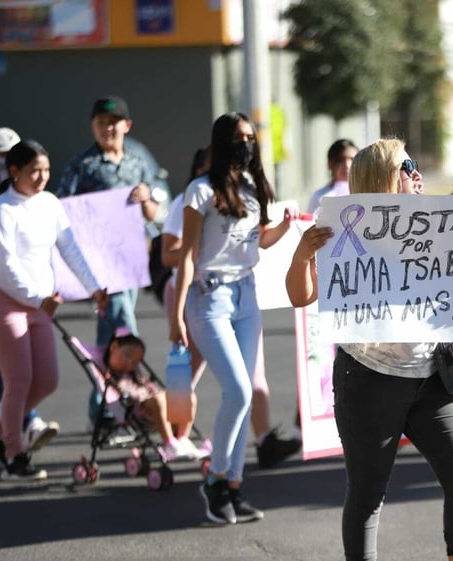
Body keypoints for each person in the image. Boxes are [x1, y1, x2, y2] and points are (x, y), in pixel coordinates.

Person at [286, 137, 453, 561]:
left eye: (416, 164)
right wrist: (303, 255)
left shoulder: (441, 224)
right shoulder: (347, 235)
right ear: (381, 178)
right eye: (406, 166)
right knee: (367, 494)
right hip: (368, 382)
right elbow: (300, 296)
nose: (417, 174)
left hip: (431, 378)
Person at [170, 112, 294, 524]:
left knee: (240, 399)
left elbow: (260, 240)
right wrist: (176, 317)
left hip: (246, 294)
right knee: (239, 391)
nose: (247, 144)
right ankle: (216, 480)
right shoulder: (200, 191)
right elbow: (186, 256)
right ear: (223, 142)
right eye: (240, 137)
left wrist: (287, 228)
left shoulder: (254, 189)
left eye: (251, 137)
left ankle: (234, 486)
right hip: (209, 298)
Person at [0, 140, 108, 480]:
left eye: (46, 170)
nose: (42, 177)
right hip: (4, 303)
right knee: (18, 381)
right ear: (15, 171)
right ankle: (14, 456)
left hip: (39, 303)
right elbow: (6, 269)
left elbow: (70, 249)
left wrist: (94, 287)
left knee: (47, 380)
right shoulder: (1, 210)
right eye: (34, 170)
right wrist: (39, 299)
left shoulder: (49, 204)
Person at [56, 96, 160, 424]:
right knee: (121, 328)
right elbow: (62, 210)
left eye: (113, 123)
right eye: (100, 123)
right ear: (93, 126)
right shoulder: (83, 165)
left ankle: (103, 409)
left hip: (130, 262)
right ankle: (119, 405)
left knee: (109, 336)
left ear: (126, 126)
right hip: (100, 266)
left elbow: (157, 210)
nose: (107, 129)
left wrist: (146, 201)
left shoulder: (138, 161)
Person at [0, 128, 59, 460]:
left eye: (9, 155)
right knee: (8, 367)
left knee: (13, 367)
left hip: (30, 292)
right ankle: (10, 432)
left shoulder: (35, 195)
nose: (3, 162)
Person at [101, 331, 200, 460]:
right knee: (159, 398)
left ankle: (182, 439)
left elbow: (150, 388)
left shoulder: (136, 374)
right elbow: (127, 396)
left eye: (134, 362)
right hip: (139, 412)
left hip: (156, 407)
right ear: (113, 347)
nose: (130, 363)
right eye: (127, 355)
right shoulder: (112, 378)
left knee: (188, 395)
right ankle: (170, 444)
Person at [307, 138, 358, 214]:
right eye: (341, 160)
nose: (347, 165)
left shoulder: (366, 194)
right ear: (329, 164)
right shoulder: (320, 197)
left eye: (352, 159)